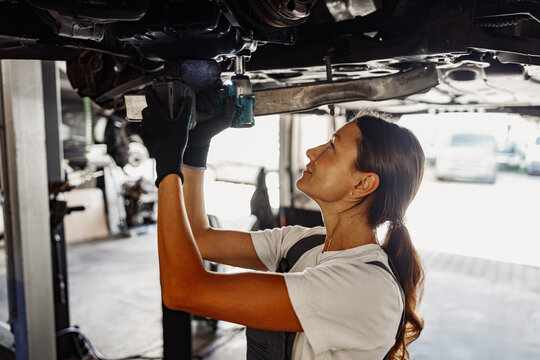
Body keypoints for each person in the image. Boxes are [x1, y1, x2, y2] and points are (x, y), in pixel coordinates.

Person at [141, 86, 425, 360]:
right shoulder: (306, 243)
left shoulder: (364, 287)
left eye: (331, 147)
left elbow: (184, 291)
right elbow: (198, 238)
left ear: (363, 184)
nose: (312, 152)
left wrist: (168, 166)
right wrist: (195, 150)